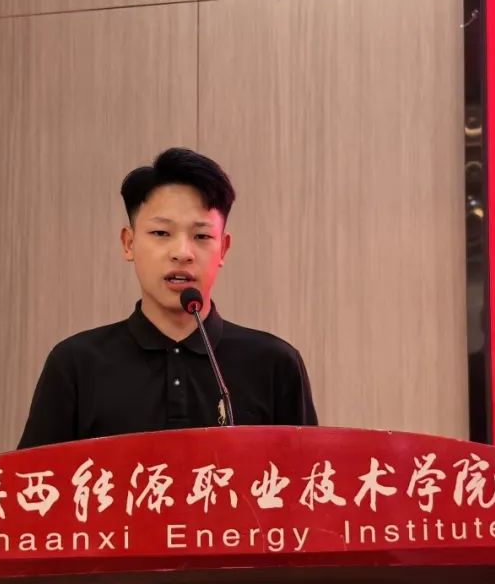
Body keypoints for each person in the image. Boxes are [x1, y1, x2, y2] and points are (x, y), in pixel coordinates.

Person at [17, 147, 317, 449]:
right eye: (161, 233)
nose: (182, 253)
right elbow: (33, 477)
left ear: (223, 249)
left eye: (201, 236)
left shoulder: (274, 364)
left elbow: (310, 475)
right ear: (129, 243)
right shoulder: (76, 364)